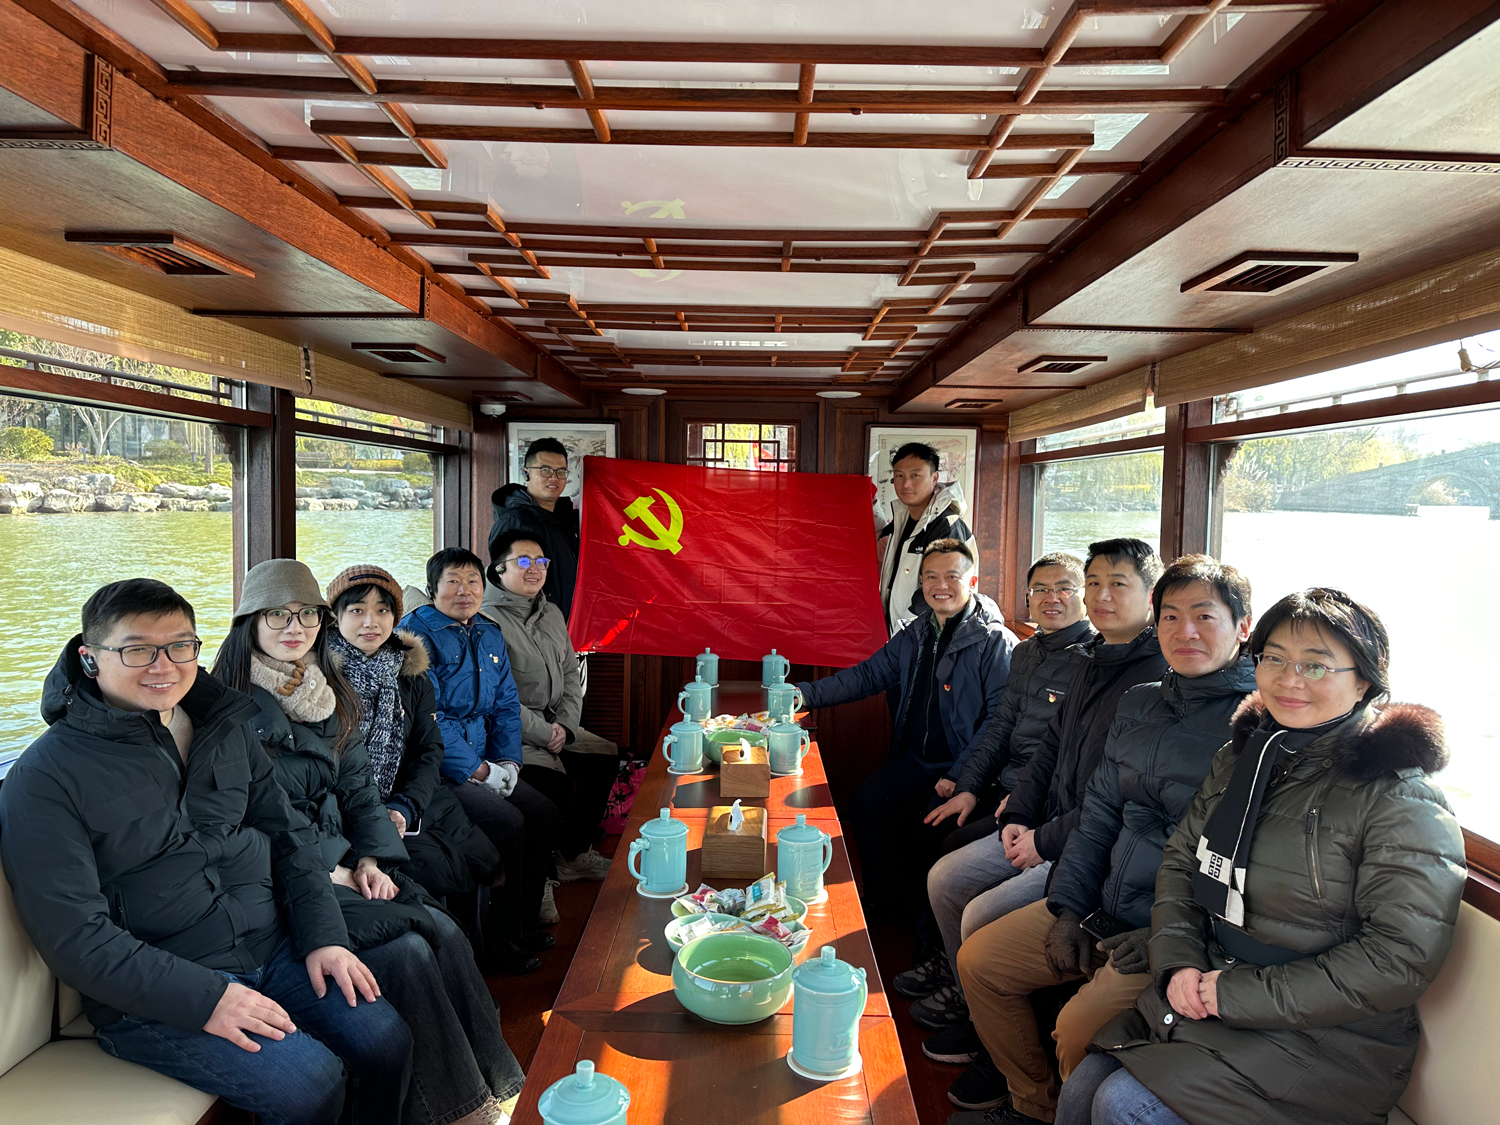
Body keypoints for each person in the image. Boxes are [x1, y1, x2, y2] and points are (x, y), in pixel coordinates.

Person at [0, 578, 410, 1125]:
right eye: (138, 650)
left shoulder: (224, 726)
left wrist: (323, 937)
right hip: (154, 989)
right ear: (90, 658)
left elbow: (289, 836)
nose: (164, 666)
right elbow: (73, 935)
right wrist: (208, 999)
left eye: (180, 646)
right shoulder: (45, 777)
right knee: (308, 1083)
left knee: (386, 1041)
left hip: (272, 945)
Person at [1061, 588, 1467, 1125]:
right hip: (1212, 982)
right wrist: (1178, 960)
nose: (1289, 679)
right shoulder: (1244, 758)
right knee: (1084, 1083)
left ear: (1365, 681)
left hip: (1328, 1038)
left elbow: (1399, 959)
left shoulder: (1398, 797)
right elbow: (1182, 863)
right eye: (1273, 659)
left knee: (1122, 1105)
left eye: (1315, 666)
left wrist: (1233, 994)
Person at [213, 559, 525, 1125]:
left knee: (445, 931)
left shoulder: (324, 691)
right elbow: (253, 819)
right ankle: (460, 1110)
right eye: (278, 615)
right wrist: (333, 865)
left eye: (306, 614)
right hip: (279, 879)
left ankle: (500, 1088)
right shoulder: (228, 709)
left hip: (341, 859)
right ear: (249, 622)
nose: (295, 628)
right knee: (410, 951)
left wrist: (371, 856)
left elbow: (358, 788)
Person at [950, 555, 1257, 1125]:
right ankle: (1032, 1104)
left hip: (1162, 933)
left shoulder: (1255, 729)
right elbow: (1097, 816)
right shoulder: (1141, 700)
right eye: (1171, 617)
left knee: (1074, 1030)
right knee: (981, 962)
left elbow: (1241, 868)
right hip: (1100, 901)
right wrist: (1069, 907)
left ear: (1242, 627)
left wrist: (1165, 937)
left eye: (1203, 616)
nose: (1185, 632)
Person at [927, 538, 1167, 1112]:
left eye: (1116, 584)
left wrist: (1043, 839)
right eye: (1095, 583)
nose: (1100, 596)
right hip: (1050, 823)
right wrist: (1020, 814)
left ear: (1150, 596)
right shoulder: (1091, 660)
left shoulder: (1157, 679)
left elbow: (1116, 800)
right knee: (945, 877)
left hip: (1089, 848)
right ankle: (983, 1021)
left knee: (979, 912)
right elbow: (1047, 749)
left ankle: (1008, 1062)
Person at [895, 553, 1093, 1016]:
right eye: (1040, 589)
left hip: (1037, 802)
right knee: (928, 823)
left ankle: (957, 979)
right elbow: (1000, 727)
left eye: (1064, 588)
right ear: (1027, 597)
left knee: (949, 844)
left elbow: (1064, 756)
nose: (1051, 598)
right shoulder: (1026, 652)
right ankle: (942, 958)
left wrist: (1021, 800)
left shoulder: (1090, 661)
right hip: (1008, 787)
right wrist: (967, 785)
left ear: (1084, 595)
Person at [795, 538, 1017, 917]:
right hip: (918, 760)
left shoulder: (993, 641)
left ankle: (923, 928)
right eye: (931, 576)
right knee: (865, 803)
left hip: (963, 768)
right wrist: (803, 695)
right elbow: (868, 675)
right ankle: (881, 905)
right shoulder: (917, 632)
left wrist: (962, 776)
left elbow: (1000, 720)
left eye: (952, 576)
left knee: (927, 831)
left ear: (972, 581)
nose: (940, 585)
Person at [400, 547, 562, 974]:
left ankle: (524, 923)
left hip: (489, 759)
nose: (465, 591)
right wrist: (478, 770)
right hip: (441, 768)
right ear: (433, 589)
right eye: (453, 582)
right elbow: (431, 719)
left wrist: (508, 762)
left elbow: (506, 704)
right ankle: (496, 942)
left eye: (473, 581)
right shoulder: (415, 636)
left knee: (543, 813)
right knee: (507, 823)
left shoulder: (488, 631)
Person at [326, 565, 503, 903]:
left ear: (395, 617)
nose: (370, 622)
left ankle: (496, 937)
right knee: (442, 874)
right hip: (353, 810)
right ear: (336, 617)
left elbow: (428, 750)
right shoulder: (323, 680)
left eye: (382, 611)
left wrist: (405, 806)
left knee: (486, 860)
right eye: (357, 611)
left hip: (414, 796)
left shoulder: (409, 672)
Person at [481, 530, 618, 883]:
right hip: (514, 734)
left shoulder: (552, 611)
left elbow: (571, 674)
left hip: (557, 724)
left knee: (605, 755)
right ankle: (539, 880)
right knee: (550, 790)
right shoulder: (486, 620)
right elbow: (497, 699)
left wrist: (566, 726)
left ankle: (573, 855)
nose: (535, 569)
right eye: (523, 561)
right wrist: (546, 734)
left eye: (541, 561)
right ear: (499, 569)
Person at [877, 442, 978, 635]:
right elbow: (876, 538)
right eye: (899, 476)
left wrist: (910, 635)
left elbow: (946, 589)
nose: (906, 484)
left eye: (915, 475)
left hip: (927, 636)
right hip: (900, 634)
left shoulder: (946, 526)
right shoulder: (903, 520)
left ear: (934, 478)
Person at [488, 437, 581, 623]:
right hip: (534, 626)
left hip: (564, 626)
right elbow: (507, 584)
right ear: (526, 473)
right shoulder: (516, 521)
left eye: (561, 471)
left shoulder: (566, 519)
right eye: (545, 470)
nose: (553, 477)